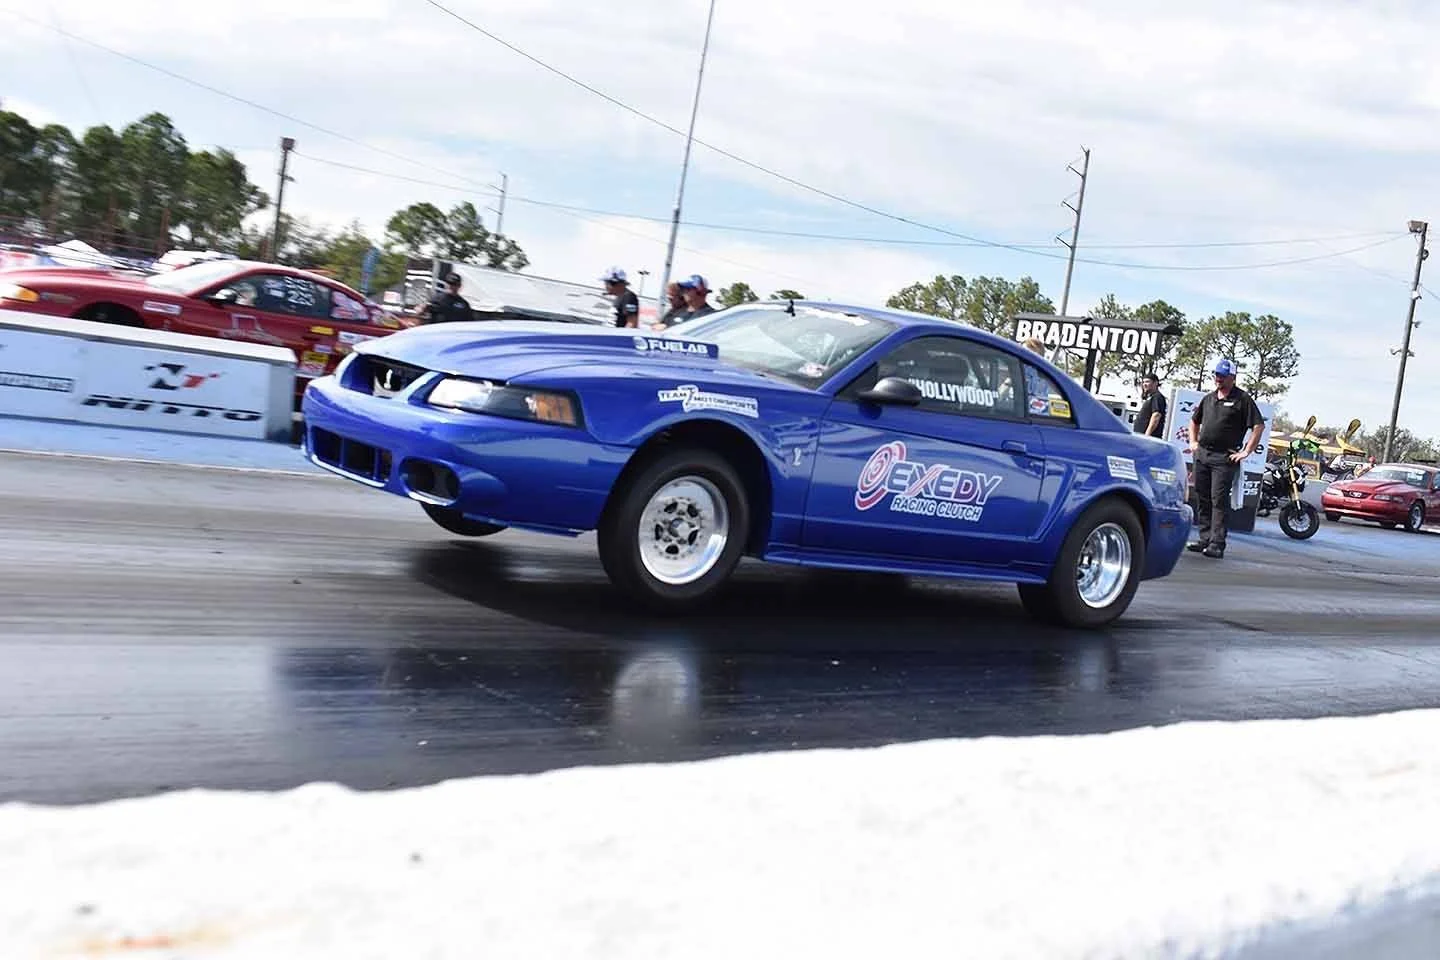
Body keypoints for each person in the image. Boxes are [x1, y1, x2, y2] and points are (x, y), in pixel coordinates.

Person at [1187, 358, 1265, 559]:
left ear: (1233, 377)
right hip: (1203, 454)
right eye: (1216, 375)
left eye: (1222, 376)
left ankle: (1217, 543)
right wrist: (1193, 442)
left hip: (1224, 457)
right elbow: (1194, 421)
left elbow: (1258, 426)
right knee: (1202, 496)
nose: (1218, 379)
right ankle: (1205, 538)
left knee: (1218, 500)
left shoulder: (1242, 399)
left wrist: (1246, 451)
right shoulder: (1209, 398)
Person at [1133, 372, 1167, 437]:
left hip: (1149, 438)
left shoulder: (1157, 397)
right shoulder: (1151, 397)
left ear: (1156, 383)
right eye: (1143, 382)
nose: (1144, 384)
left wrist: (1147, 436)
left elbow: (1156, 415)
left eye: (1147, 382)